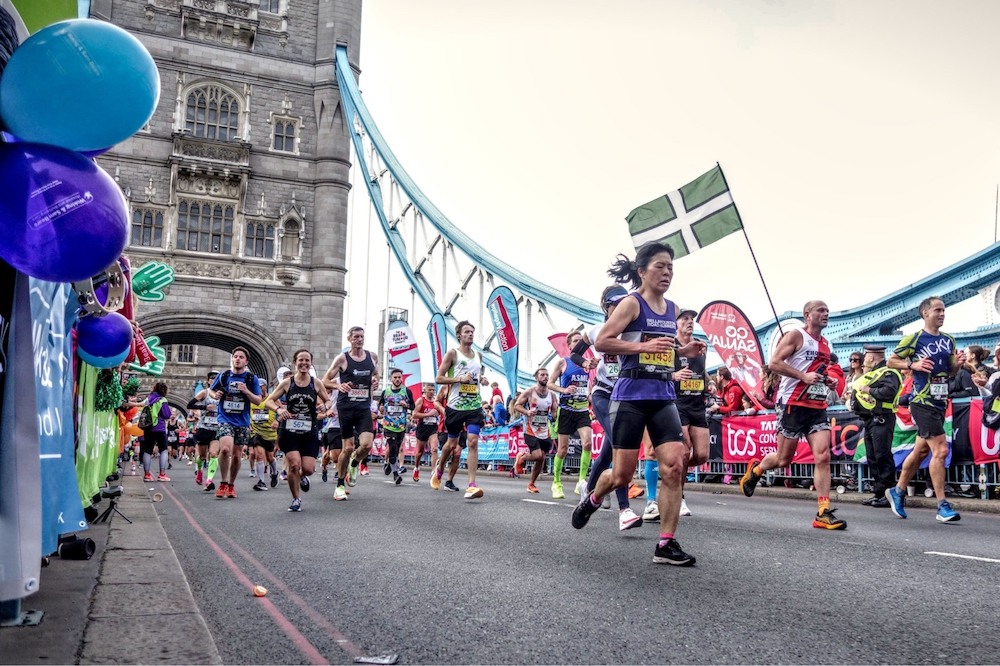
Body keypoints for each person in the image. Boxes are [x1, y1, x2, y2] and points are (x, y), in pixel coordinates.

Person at [572, 241, 706, 567]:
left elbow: (663, 349)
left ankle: (666, 543)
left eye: (671, 267)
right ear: (642, 271)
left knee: (675, 464)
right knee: (621, 475)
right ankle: (592, 497)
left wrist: (683, 352)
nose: (667, 273)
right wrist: (644, 349)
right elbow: (603, 341)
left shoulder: (671, 308)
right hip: (629, 396)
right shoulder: (631, 304)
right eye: (660, 266)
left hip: (662, 396)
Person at [738, 301, 846, 530]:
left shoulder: (825, 344)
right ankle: (756, 470)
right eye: (821, 310)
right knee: (784, 459)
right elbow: (774, 363)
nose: (826, 314)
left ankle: (823, 512)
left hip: (815, 406)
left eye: (827, 310)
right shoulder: (796, 336)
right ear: (808, 315)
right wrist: (802, 376)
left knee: (823, 456)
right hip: (791, 403)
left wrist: (827, 380)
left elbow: (816, 370)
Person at [884, 297, 966, 523]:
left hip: (940, 401)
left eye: (943, 310)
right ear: (925, 313)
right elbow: (891, 361)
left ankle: (898, 491)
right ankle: (942, 505)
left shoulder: (949, 340)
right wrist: (913, 365)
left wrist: (957, 365)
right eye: (937, 310)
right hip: (922, 402)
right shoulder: (915, 339)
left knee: (921, 451)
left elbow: (948, 373)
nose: (942, 314)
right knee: (940, 451)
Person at [571, 285, 642, 530]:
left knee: (608, 452)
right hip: (603, 393)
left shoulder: (633, 331)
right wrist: (586, 362)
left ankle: (588, 490)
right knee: (621, 446)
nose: (620, 306)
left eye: (625, 302)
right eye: (615, 303)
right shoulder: (596, 330)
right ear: (605, 305)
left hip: (626, 396)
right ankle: (625, 511)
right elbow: (574, 354)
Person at [265, 349, 332, 512]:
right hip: (289, 431)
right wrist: (279, 410)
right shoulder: (288, 383)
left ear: (311, 363)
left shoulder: (316, 383)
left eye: (307, 360)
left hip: (309, 431)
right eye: (301, 360)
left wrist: (325, 406)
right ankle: (296, 499)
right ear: (295, 363)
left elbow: (329, 401)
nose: (304, 363)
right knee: (294, 464)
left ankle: (302, 477)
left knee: (308, 469)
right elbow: (269, 401)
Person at [431, 320, 489, 499]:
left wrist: (483, 380)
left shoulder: (479, 355)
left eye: (472, 331)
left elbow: (477, 378)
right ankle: (440, 468)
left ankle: (471, 485)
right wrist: (459, 379)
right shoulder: (452, 354)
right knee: (451, 444)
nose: (470, 334)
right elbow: (439, 378)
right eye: (466, 332)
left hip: (474, 406)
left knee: (472, 442)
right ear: (459, 335)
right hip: (455, 406)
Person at [322, 326, 378, 490]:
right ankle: (339, 484)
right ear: (350, 339)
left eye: (361, 337)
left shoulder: (372, 357)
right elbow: (325, 380)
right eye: (356, 337)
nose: (359, 340)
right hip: (345, 407)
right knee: (347, 447)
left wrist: (375, 380)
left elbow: (376, 374)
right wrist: (338, 386)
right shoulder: (342, 359)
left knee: (367, 445)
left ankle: (355, 462)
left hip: (363, 407)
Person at [208, 347, 263, 499]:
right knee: (225, 449)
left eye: (241, 357)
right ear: (232, 359)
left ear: (246, 361)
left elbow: (258, 400)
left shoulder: (252, 379)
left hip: (242, 421)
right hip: (225, 419)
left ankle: (231, 485)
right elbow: (211, 391)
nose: (238, 359)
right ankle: (223, 483)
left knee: (237, 456)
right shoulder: (224, 375)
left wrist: (246, 391)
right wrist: (216, 394)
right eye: (235, 356)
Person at [852, 345, 902, 507]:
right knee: (873, 457)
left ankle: (889, 494)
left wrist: (868, 390)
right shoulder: (873, 373)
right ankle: (879, 492)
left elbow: (889, 392)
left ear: (871, 357)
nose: (864, 360)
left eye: (866, 356)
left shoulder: (889, 372)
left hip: (883, 418)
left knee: (882, 456)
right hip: (870, 420)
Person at [548, 330, 595, 499]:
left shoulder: (587, 365)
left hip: (582, 409)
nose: (577, 343)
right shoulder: (563, 362)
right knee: (562, 449)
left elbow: (588, 387)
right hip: (566, 409)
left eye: (579, 340)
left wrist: (592, 398)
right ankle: (557, 482)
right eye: (574, 341)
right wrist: (564, 390)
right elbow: (549, 383)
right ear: (569, 346)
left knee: (588, 444)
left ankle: (581, 482)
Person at [672, 308, 709, 518]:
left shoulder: (701, 345)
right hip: (678, 403)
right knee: (684, 453)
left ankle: (673, 470)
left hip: (697, 404)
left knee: (702, 455)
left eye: (691, 319)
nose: (689, 322)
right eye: (684, 319)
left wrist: (710, 383)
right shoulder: (672, 345)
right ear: (676, 323)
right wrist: (674, 375)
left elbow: (701, 371)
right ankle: (679, 495)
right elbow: (659, 369)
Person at [513, 368, 559, 494]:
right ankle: (522, 457)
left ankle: (531, 484)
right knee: (537, 455)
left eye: (547, 375)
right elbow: (516, 405)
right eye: (542, 375)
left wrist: (554, 414)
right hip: (530, 430)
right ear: (536, 377)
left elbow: (554, 412)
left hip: (545, 431)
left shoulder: (552, 395)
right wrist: (528, 412)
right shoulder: (530, 392)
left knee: (541, 459)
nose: (545, 377)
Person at [378, 368, 414, 485]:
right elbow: (381, 405)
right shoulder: (385, 392)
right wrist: (381, 408)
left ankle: (390, 463)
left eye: (399, 377)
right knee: (392, 448)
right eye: (395, 377)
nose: (397, 379)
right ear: (391, 379)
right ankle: (395, 475)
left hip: (401, 426)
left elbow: (413, 406)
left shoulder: (406, 391)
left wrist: (406, 405)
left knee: (397, 449)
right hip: (388, 425)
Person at [188, 370, 220, 490]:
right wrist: (205, 407)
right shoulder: (204, 393)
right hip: (203, 428)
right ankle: (199, 471)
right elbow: (189, 405)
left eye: (216, 378)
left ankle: (209, 480)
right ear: (208, 381)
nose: (214, 379)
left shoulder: (224, 394)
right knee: (202, 456)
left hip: (217, 429)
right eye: (212, 378)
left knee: (213, 454)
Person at [139, 382, 172, 482]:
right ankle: (162, 474)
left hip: (148, 427)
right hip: (160, 428)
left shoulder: (149, 398)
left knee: (147, 450)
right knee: (163, 450)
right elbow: (167, 415)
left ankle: (147, 475)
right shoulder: (163, 400)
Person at [249, 381, 278, 492]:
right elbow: (246, 413)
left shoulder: (272, 398)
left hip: (269, 432)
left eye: (261, 386)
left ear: (265, 387)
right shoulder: (251, 399)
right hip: (256, 431)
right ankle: (261, 481)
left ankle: (275, 472)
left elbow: (282, 410)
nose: (259, 388)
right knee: (259, 455)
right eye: (257, 386)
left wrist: (276, 420)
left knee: (270, 457)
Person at [412, 383, 444, 482]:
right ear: (425, 390)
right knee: (419, 452)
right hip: (422, 427)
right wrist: (428, 414)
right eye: (429, 390)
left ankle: (434, 471)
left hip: (433, 428)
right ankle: (416, 468)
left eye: (432, 390)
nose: (431, 392)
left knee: (434, 449)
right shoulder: (421, 400)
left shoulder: (436, 402)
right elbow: (414, 415)